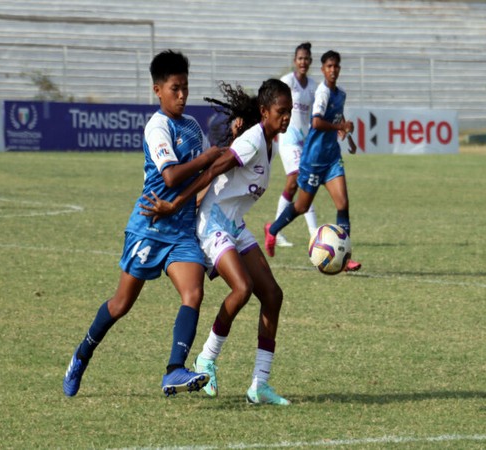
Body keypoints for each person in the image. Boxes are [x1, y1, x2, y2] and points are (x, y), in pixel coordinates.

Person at [62, 50, 226, 398]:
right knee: (121, 305)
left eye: (185, 88)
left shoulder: (194, 127)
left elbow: (207, 172)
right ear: (157, 90)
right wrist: (206, 159)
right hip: (149, 227)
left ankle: (174, 370)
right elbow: (169, 177)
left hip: (180, 230)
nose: (182, 95)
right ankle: (81, 355)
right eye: (175, 89)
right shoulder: (157, 126)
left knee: (193, 292)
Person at [140, 79, 294, 405]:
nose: (287, 117)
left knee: (273, 295)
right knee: (242, 288)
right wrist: (175, 204)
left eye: (290, 111)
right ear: (264, 112)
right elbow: (209, 172)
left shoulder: (270, 143)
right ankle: (205, 359)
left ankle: (259, 385)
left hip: (234, 225)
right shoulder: (252, 142)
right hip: (212, 224)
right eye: (281, 111)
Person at [265, 50, 362, 272]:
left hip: (331, 159)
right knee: (301, 206)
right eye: (329, 66)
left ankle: (345, 258)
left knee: (343, 205)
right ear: (323, 69)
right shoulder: (322, 92)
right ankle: (273, 229)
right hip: (314, 159)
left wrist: (348, 135)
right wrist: (339, 127)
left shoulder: (341, 94)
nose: (333, 70)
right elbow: (317, 122)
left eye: (336, 66)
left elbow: (338, 117)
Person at [272, 42, 318, 248]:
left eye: (306, 58)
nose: (303, 62)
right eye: (300, 58)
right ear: (294, 60)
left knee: (292, 186)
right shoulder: (287, 82)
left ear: (310, 61)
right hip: (288, 139)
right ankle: (314, 234)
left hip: (305, 142)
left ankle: (274, 230)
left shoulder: (314, 86)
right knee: (302, 180)